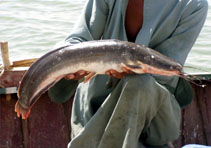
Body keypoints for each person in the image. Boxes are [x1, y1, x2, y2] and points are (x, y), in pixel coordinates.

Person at [48, 0, 208, 147]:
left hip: (153, 116)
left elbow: (167, 69)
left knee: (139, 83)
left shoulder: (194, 5)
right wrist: (63, 59)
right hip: (95, 108)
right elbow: (78, 39)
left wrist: (127, 71)